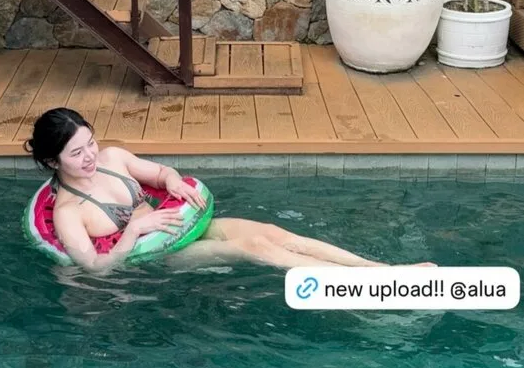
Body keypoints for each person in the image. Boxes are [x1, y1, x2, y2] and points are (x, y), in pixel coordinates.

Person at [24, 108, 436, 273]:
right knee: (252, 247)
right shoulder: (68, 213)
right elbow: (95, 268)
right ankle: (358, 288)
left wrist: (173, 182)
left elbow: (161, 173)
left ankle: (380, 271)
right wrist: (134, 229)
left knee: (275, 233)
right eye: (76, 153)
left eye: (91, 142)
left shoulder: (113, 157)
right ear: (53, 162)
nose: (90, 155)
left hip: (181, 226)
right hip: (159, 256)